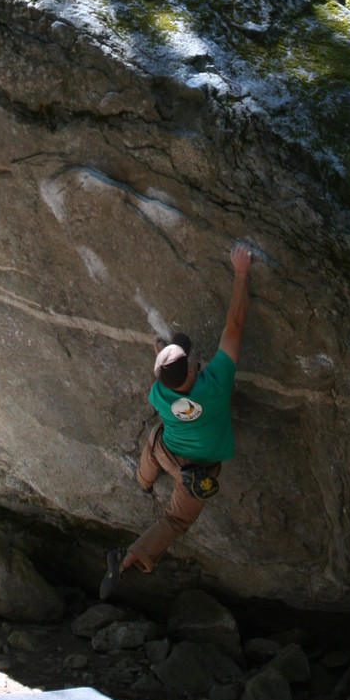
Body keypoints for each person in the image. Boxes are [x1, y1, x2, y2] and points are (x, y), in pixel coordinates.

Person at [100, 246, 250, 599]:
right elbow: (234, 324)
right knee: (175, 520)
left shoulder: (159, 393)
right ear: (193, 369)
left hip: (167, 453)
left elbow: (168, 375)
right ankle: (133, 556)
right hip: (196, 471)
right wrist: (241, 273)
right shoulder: (215, 385)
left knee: (155, 438)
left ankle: (143, 481)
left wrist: (163, 356)